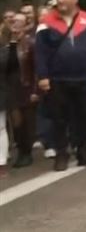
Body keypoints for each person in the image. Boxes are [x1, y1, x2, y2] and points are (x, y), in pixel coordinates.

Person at [36, 0, 86, 170]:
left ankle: (84, 151)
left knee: (83, 116)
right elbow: (40, 53)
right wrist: (43, 76)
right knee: (59, 118)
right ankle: (62, 154)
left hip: (83, 77)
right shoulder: (46, 22)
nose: (60, 1)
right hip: (57, 79)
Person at [1, 13, 36, 173]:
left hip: (26, 87)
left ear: (25, 25)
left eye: (18, 22)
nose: (14, 24)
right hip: (11, 88)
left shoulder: (30, 43)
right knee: (16, 122)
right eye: (13, 22)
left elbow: (36, 68)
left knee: (27, 121)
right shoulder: (8, 45)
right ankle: (21, 151)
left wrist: (36, 90)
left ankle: (27, 152)